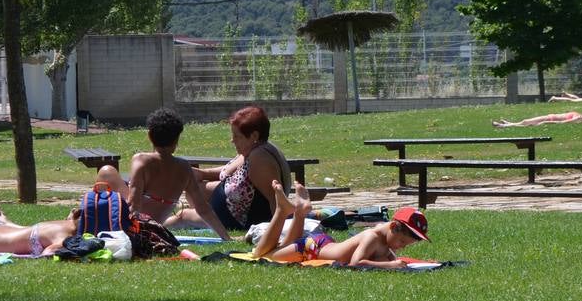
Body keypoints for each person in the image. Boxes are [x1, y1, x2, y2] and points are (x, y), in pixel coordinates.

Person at [92, 107, 233, 240]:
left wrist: (132, 233)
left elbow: (134, 204)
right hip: (156, 224)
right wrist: (226, 237)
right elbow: (203, 208)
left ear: (149, 135)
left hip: (136, 224)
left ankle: (94, 220)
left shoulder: (141, 160)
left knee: (107, 172)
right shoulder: (184, 168)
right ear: (176, 139)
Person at [176, 105, 291, 238]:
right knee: (195, 189)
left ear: (254, 136)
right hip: (233, 203)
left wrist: (276, 234)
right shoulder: (256, 149)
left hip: (238, 218)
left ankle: (157, 226)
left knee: (182, 215)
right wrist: (203, 174)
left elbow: (276, 200)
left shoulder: (259, 159)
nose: (232, 140)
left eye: (237, 136)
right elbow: (230, 170)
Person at [254, 181, 428, 268]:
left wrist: (392, 262)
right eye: (402, 242)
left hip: (323, 244)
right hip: (311, 249)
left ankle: (299, 212)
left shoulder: (386, 240)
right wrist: (389, 265)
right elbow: (355, 264)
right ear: (393, 227)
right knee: (263, 254)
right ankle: (281, 210)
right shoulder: (372, 237)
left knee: (280, 247)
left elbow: (391, 259)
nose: (402, 246)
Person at [492, 110, 582, 128]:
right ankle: (508, 123)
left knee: (526, 123)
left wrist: (547, 122)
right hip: (550, 117)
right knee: (526, 122)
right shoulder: (580, 116)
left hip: (550, 119)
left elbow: (564, 122)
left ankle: (503, 126)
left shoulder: (579, 118)